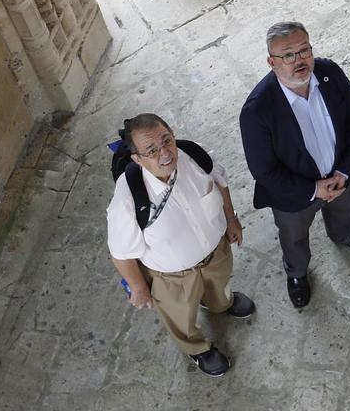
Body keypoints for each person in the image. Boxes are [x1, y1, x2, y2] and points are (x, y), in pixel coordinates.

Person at [239, 22, 350, 310]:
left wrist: (343, 170)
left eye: (304, 50)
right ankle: (297, 272)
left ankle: (344, 236)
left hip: (339, 176)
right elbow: (264, 171)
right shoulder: (256, 110)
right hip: (293, 196)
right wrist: (313, 189)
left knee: (344, 213)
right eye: (288, 55)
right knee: (293, 237)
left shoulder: (328, 72)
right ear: (272, 62)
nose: (299, 60)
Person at [106, 114, 254, 377]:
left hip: (216, 253)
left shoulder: (192, 155)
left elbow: (220, 181)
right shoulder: (127, 198)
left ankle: (219, 303)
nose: (164, 153)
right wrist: (139, 288)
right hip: (172, 278)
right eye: (151, 150)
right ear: (137, 159)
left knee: (219, 286)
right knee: (180, 317)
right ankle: (197, 348)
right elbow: (120, 254)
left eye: (167, 140)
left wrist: (232, 219)